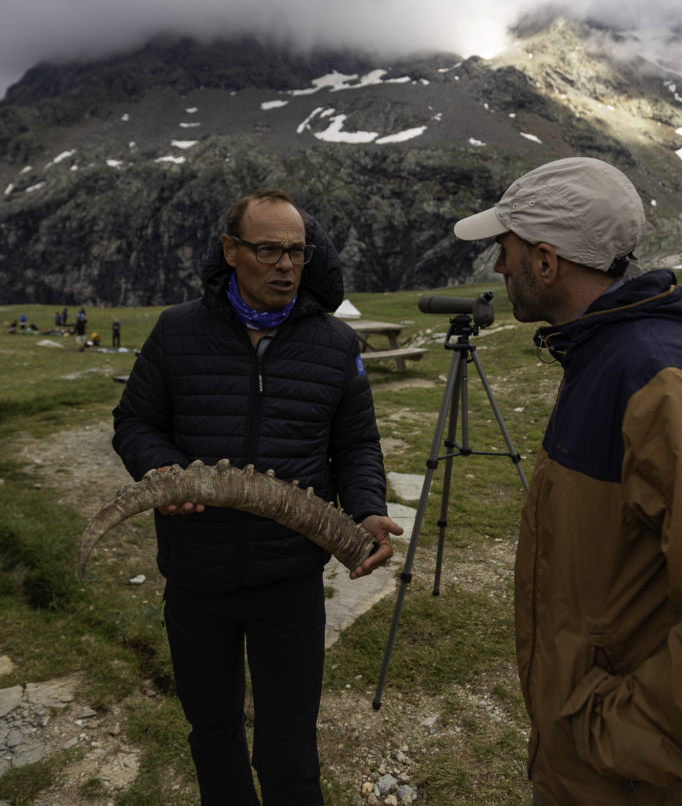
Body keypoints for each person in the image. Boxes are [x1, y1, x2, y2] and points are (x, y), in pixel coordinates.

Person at [112, 188, 402, 806]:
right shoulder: (177, 331)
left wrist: (368, 505)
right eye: (268, 249)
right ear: (230, 250)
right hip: (196, 575)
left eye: (296, 251)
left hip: (288, 580)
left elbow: (355, 446)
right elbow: (134, 421)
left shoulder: (334, 344)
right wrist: (163, 471)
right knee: (212, 733)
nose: (286, 265)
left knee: (289, 745)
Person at [454, 157, 682, 806]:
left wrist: (618, 730)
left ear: (546, 262)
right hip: (585, 767)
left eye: (506, 251)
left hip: (624, 777)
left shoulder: (652, 380)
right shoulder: (599, 351)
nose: (499, 269)